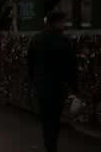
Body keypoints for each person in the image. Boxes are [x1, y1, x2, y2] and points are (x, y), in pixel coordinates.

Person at [27, 11, 78, 152]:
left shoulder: (36, 39)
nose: (65, 24)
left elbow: (30, 63)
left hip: (42, 84)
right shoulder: (64, 41)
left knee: (45, 117)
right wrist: (75, 88)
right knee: (55, 117)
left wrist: (32, 82)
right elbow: (71, 67)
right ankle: (52, 143)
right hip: (58, 85)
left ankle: (49, 144)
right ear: (57, 22)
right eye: (63, 21)